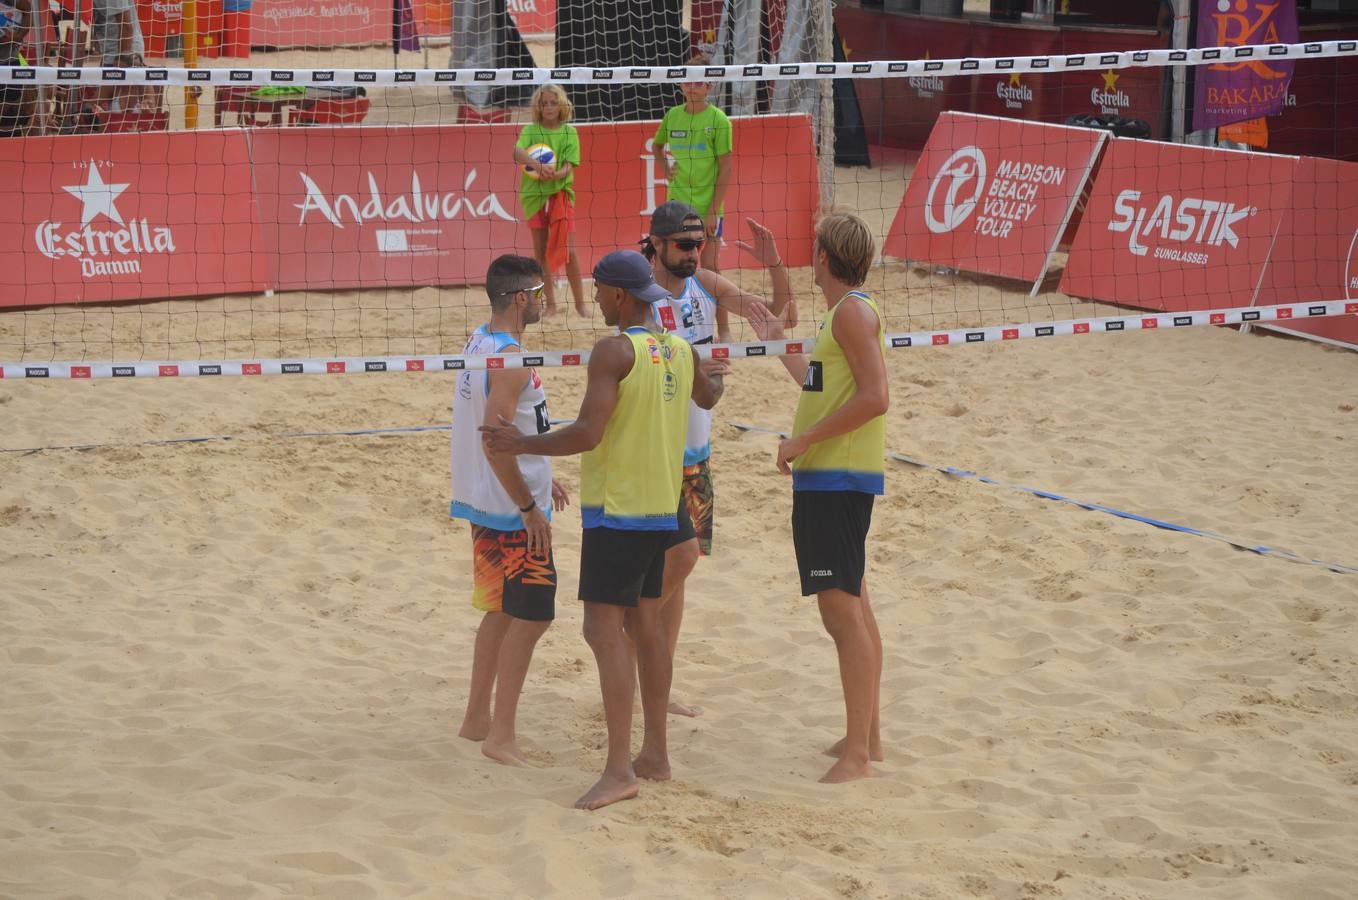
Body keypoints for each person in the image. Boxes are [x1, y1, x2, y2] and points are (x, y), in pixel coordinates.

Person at [482, 249, 727, 810]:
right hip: (664, 505)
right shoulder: (679, 348)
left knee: (602, 631)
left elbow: (589, 433)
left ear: (620, 295)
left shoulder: (614, 351)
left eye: (597, 289)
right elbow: (708, 396)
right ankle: (656, 754)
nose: (591, 297)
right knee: (647, 625)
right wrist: (715, 380)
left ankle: (619, 770)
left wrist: (522, 444)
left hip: (620, 510)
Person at [639, 199, 795, 717]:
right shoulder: (640, 293)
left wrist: (774, 266)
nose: (693, 253)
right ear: (657, 244)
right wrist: (704, 379)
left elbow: (776, 321)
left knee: (681, 575)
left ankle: (660, 685)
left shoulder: (705, 284)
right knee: (648, 583)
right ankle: (627, 681)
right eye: (684, 245)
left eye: (699, 243)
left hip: (694, 456)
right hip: (653, 457)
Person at [747, 213, 889, 784]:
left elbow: (876, 397)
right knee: (854, 603)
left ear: (824, 258)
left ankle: (859, 755)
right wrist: (779, 346)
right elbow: (823, 387)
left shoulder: (852, 313)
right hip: (832, 476)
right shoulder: (843, 314)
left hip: (837, 477)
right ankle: (868, 738)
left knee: (842, 613)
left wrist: (803, 441)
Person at [452, 254, 569, 767]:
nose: (546, 301)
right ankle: (502, 736)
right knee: (534, 614)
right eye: (541, 293)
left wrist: (544, 470)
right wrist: (529, 504)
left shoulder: (478, 341)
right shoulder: (513, 360)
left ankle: (477, 718)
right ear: (522, 299)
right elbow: (496, 438)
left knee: (500, 610)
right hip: (511, 510)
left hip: (487, 499)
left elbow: (509, 429)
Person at [653, 51, 734, 341]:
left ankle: (722, 329)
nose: (692, 86)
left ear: (709, 87)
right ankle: (673, 326)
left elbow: (726, 169)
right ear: (681, 85)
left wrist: (712, 211)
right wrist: (666, 167)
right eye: (687, 81)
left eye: (698, 82)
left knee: (710, 268)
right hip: (677, 207)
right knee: (669, 267)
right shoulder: (673, 116)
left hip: (706, 208)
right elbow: (657, 146)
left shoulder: (719, 121)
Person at [513, 84, 585, 316]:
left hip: (560, 196)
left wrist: (555, 174)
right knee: (541, 252)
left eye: (553, 103)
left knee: (569, 251)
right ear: (538, 106)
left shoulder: (569, 132)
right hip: (534, 197)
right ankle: (550, 304)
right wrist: (538, 166)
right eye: (544, 103)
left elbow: (569, 165)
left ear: (561, 104)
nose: (549, 107)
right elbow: (517, 153)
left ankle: (580, 304)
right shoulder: (531, 130)